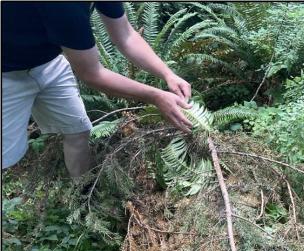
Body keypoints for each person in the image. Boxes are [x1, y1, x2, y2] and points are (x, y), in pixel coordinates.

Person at [2, 1, 193, 178]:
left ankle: (82, 195)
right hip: (6, 74)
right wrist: (156, 96)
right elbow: (92, 74)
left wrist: (168, 74)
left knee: (77, 131)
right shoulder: (64, 6)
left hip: (49, 62)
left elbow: (125, 34)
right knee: (6, 156)